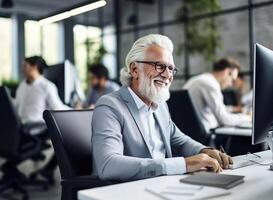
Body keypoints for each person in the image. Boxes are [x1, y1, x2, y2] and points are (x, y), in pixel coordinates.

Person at [91, 34, 232, 182]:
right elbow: (108, 165)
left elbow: (179, 140)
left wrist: (205, 151)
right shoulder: (109, 106)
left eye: (171, 69)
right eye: (159, 66)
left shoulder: (160, 105)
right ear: (134, 69)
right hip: (131, 190)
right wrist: (183, 164)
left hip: (164, 184)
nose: (167, 75)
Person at [14, 56, 70, 184]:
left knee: (67, 135)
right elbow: (16, 107)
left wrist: (75, 111)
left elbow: (58, 108)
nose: (22, 68)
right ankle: (47, 169)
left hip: (38, 129)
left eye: (25, 66)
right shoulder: (22, 85)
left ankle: (48, 168)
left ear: (34, 67)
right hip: (22, 128)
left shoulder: (47, 86)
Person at [183, 58, 251, 133]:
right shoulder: (211, 84)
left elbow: (210, 108)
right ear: (227, 72)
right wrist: (248, 117)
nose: (230, 84)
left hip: (191, 133)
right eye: (232, 80)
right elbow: (224, 120)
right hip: (208, 136)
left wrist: (233, 109)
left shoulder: (198, 79)